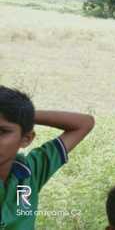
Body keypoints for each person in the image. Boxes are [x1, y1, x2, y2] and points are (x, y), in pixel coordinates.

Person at [0, 86, 94, 229]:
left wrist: (24, 114)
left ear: (26, 139)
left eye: (2, 131)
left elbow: (84, 124)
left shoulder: (30, 171)